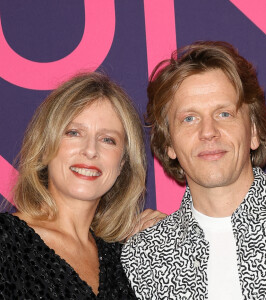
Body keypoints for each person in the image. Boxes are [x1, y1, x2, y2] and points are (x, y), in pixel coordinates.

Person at [122, 41, 266, 299]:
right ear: (169, 143)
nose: (208, 132)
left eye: (224, 114)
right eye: (189, 118)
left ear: (253, 131)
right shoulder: (142, 256)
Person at [0, 72, 163, 299]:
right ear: (45, 146)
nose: (90, 150)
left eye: (108, 139)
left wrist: (167, 243)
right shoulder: (6, 241)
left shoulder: (124, 261)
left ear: (122, 163)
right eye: (74, 133)